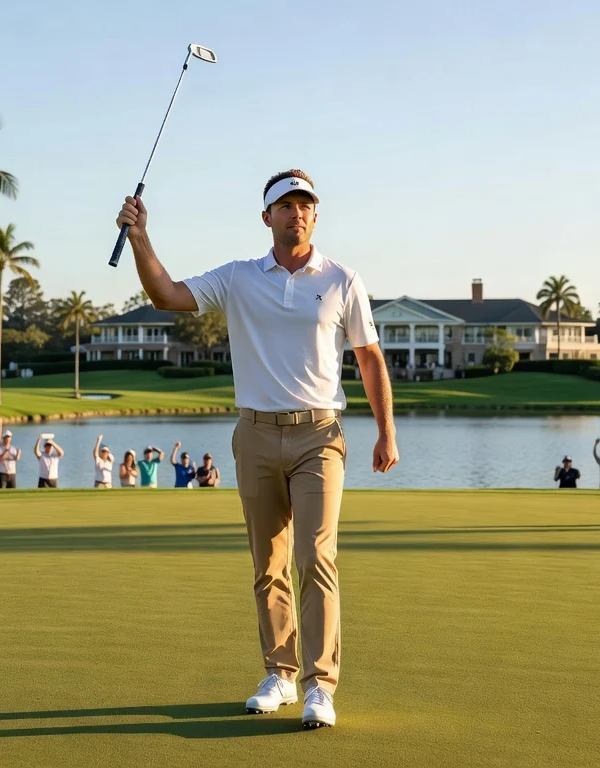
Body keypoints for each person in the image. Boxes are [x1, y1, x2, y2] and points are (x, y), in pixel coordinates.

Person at [117, 167, 398, 728]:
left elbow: (368, 357)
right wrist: (141, 239)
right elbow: (168, 295)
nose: (297, 213)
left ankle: (321, 685)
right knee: (268, 562)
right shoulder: (239, 277)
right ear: (266, 216)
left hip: (321, 434)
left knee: (316, 557)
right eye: (286, 205)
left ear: (316, 215)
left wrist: (387, 431)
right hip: (255, 433)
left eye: (305, 205)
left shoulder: (342, 278)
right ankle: (280, 675)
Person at [0, 422, 21, 489]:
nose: (7, 439)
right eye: (6, 437)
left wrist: (18, 454)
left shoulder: (14, 449)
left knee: (13, 493)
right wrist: (5, 453)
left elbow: (16, 458)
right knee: (1, 493)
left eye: (9, 437)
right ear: (3, 438)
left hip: (12, 474)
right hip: (2, 474)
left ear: (11, 438)